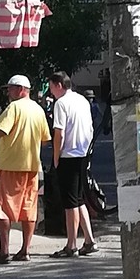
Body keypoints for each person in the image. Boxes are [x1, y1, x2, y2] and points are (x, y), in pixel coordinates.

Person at [0, 72, 50, 263]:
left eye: (10, 89)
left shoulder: (13, 108)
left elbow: (0, 131)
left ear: (21, 90)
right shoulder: (38, 110)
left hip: (10, 165)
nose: (8, 92)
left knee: (2, 208)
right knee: (29, 208)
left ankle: (4, 251)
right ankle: (25, 250)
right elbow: (46, 139)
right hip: (32, 166)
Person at [47, 71, 97, 257]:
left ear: (58, 85)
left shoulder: (61, 103)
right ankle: (90, 240)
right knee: (79, 198)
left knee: (70, 203)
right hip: (83, 153)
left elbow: (58, 132)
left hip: (68, 154)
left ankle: (71, 244)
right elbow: (90, 127)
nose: (50, 92)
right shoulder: (82, 100)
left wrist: (56, 156)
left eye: (51, 87)